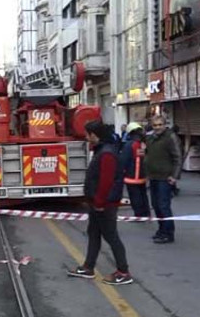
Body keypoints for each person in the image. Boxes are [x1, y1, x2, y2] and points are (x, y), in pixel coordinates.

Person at [68, 120, 133, 285]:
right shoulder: (102, 151)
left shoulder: (107, 154)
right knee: (94, 234)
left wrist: (99, 202)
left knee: (111, 236)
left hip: (105, 204)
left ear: (94, 135)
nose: (86, 137)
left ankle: (123, 272)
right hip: (98, 203)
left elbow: (106, 182)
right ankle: (88, 267)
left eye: (88, 134)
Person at [144, 115, 182, 244]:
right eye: (155, 125)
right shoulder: (150, 138)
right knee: (156, 205)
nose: (158, 127)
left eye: (160, 125)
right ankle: (161, 230)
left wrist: (174, 176)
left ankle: (168, 233)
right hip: (153, 177)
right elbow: (147, 155)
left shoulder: (171, 137)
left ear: (165, 125)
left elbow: (178, 157)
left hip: (165, 178)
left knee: (164, 206)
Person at [120, 122, 150, 218]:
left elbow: (124, 160)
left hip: (131, 175)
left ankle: (139, 215)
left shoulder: (129, 144)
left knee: (135, 196)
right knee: (143, 194)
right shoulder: (143, 144)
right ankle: (146, 213)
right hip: (142, 174)